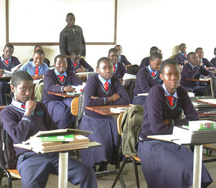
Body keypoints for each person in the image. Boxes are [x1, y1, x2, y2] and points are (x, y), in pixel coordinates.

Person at [0, 71, 97, 188]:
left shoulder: (40, 106)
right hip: (29, 157)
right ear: (13, 88)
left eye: (30, 89)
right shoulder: (7, 112)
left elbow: (53, 130)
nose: (28, 93)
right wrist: (27, 113)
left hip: (51, 153)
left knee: (86, 172)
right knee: (32, 185)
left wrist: (70, 138)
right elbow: (18, 137)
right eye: (23, 89)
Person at [137, 59, 212, 188]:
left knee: (197, 169)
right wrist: (181, 124)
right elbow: (156, 128)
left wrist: (170, 122)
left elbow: (194, 119)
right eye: (169, 75)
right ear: (162, 77)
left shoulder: (182, 92)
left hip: (173, 139)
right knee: (180, 170)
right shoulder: (156, 92)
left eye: (177, 74)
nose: (173, 78)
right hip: (151, 141)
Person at [78, 57, 130, 172]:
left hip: (108, 118)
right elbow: (89, 102)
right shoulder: (93, 80)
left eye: (110, 67)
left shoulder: (115, 80)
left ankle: (104, 163)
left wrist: (100, 100)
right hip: (91, 118)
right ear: (97, 69)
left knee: (116, 140)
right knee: (99, 142)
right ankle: (93, 164)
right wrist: (110, 98)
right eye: (104, 68)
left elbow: (126, 100)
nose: (108, 71)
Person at [41, 55, 82, 129]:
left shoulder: (70, 74)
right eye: (59, 63)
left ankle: (76, 128)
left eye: (64, 63)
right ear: (54, 65)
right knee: (63, 112)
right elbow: (50, 87)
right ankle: (59, 130)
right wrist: (63, 88)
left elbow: (80, 83)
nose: (62, 65)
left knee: (75, 105)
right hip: (50, 100)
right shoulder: (49, 73)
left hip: (64, 99)